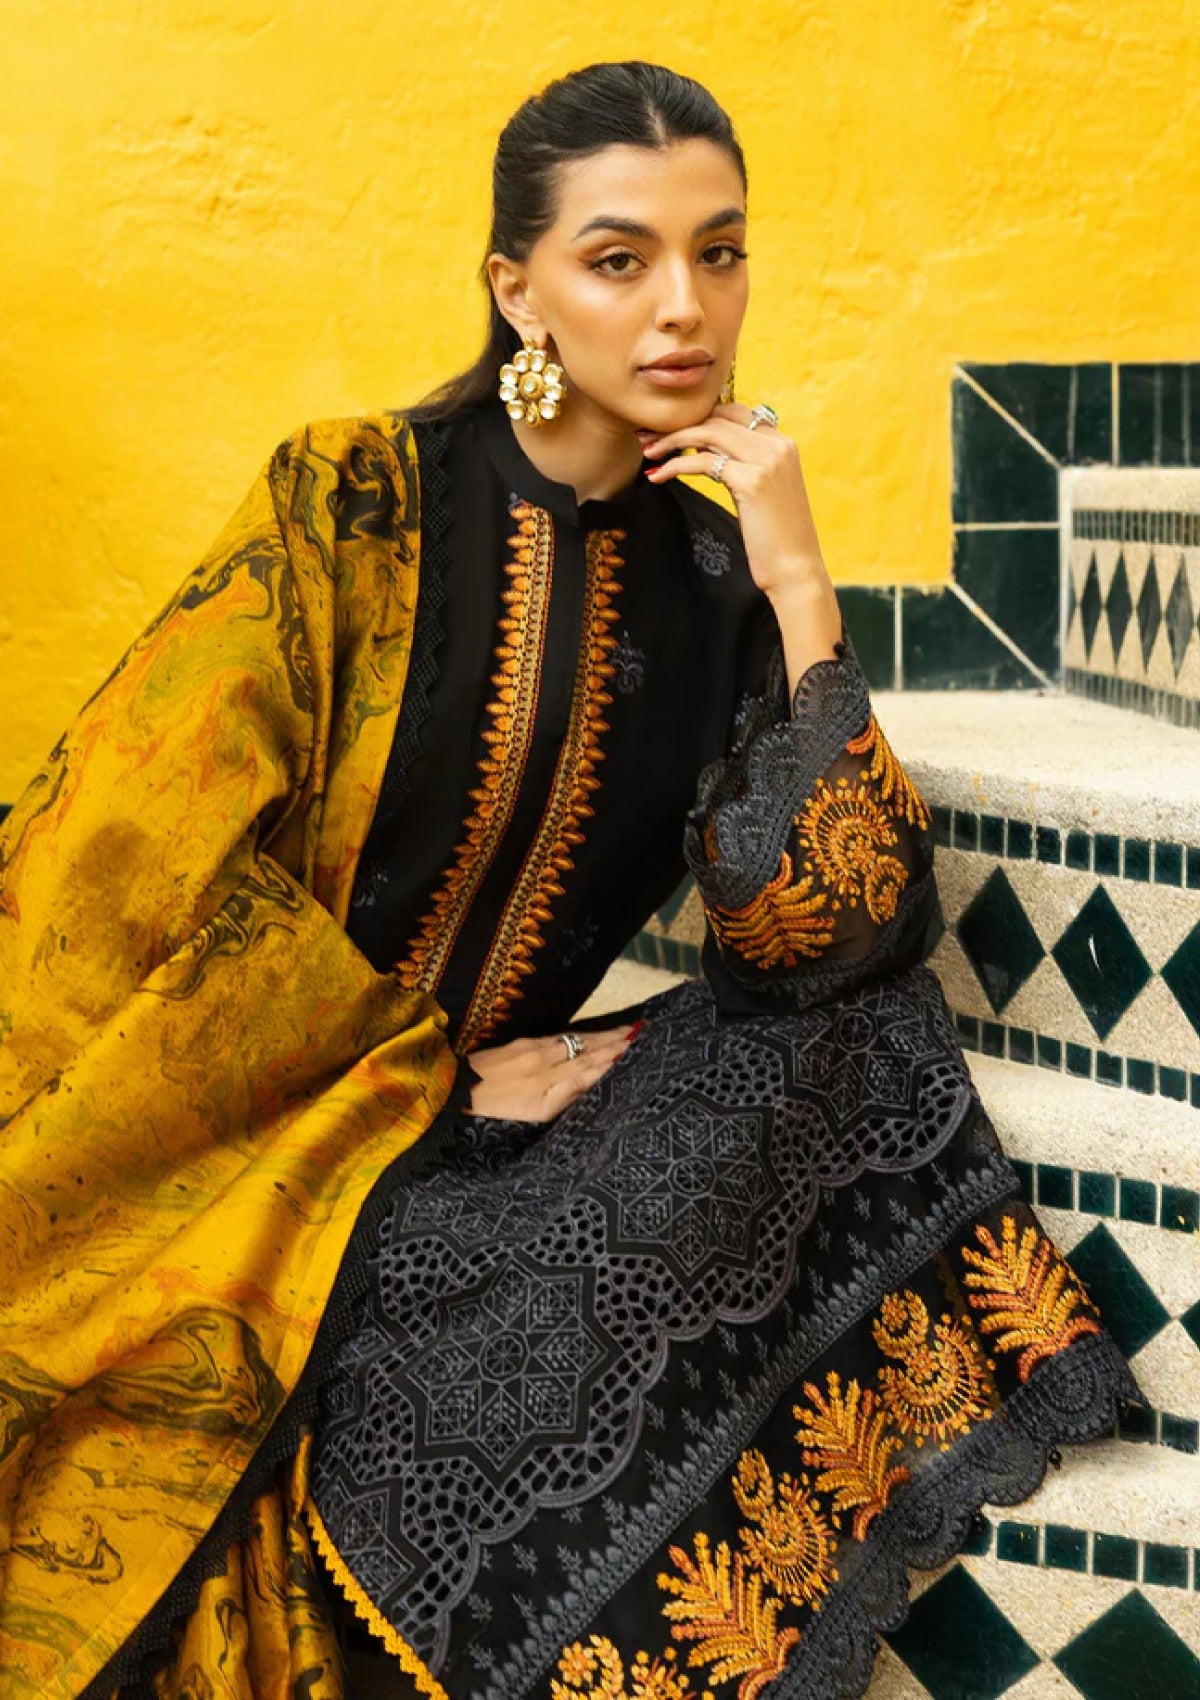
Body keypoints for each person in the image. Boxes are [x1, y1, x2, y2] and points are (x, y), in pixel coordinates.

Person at [0, 59, 1143, 1700]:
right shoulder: (357, 501)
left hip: (487, 1143)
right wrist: (416, 1082)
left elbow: (833, 935)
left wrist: (798, 579)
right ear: (517, 289)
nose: (687, 307)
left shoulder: (716, 575)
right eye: (621, 260)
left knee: (857, 1041)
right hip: (246, 1153)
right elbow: (131, 863)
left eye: (720, 252)